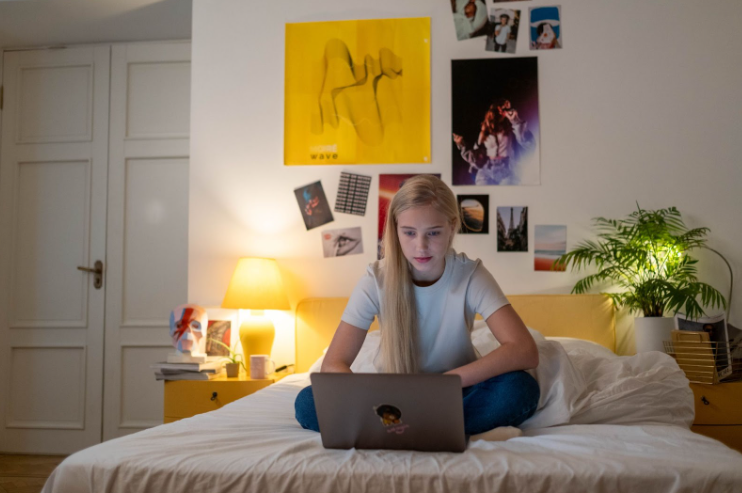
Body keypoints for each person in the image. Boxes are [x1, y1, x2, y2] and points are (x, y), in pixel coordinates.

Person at [295, 175, 540, 439]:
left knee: (520, 388)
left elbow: (524, 349)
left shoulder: (471, 275)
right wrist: (365, 396)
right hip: (389, 399)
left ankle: (398, 430)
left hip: (456, 390)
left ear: (452, 227)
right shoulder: (375, 280)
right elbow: (333, 364)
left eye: (433, 233)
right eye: (409, 233)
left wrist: (445, 383)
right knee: (308, 401)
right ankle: (438, 427)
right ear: (396, 228)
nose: (420, 246)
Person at [452, 99, 534, 185]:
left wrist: (515, 120)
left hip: (507, 169)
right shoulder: (484, 133)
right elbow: (475, 157)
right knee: (484, 192)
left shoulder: (511, 129)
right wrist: (462, 144)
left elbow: (527, 144)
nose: (500, 111)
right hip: (486, 170)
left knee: (508, 194)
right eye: (498, 108)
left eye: (503, 109)